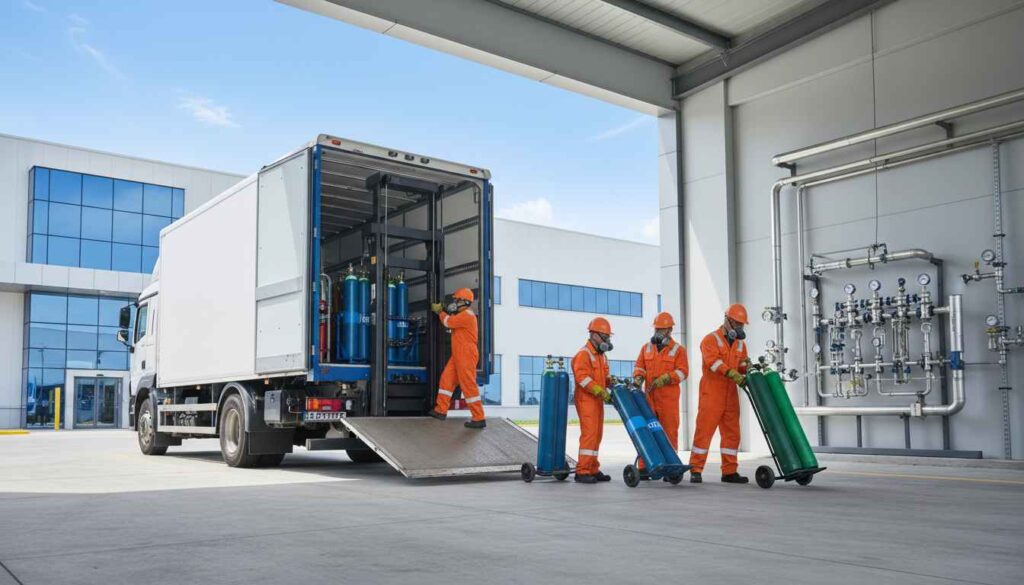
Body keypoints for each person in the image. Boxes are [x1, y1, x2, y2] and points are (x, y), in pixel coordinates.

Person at [689, 303, 751, 483]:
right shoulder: (710, 340)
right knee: (704, 432)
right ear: (727, 320)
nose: (740, 328)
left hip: (731, 395)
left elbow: (742, 365)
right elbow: (712, 363)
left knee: (732, 433)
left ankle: (729, 471)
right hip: (712, 393)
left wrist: (749, 369)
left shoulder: (740, 344)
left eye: (742, 325)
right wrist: (732, 373)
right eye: (737, 324)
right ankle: (696, 469)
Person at [632, 312, 688, 476]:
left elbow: (684, 372)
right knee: (646, 431)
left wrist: (668, 378)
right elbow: (639, 366)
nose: (658, 332)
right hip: (649, 398)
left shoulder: (678, 350)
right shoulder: (646, 348)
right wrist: (638, 378)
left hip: (668, 399)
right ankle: (644, 467)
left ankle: (671, 467)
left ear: (670, 331)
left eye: (662, 330)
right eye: (657, 329)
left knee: (669, 432)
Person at [427, 288, 486, 429]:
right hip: (458, 354)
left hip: (466, 354)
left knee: (468, 385)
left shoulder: (467, 315)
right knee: (446, 380)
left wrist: (440, 311)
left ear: (464, 302)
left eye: (456, 300)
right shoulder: (463, 314)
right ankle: (440, 410)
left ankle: (479, 417)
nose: (454, 302)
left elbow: (448, 322)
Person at [571, 317, 614, 484]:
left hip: (597, 399)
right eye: (605, 336)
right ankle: (582, 471)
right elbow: (582, 378)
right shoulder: (584, 354)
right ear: (594, 335)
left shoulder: (602, 356)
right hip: (586, 399)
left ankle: (593, 468)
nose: (608, 340)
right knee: (589, 435)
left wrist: (612, 382)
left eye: (608, 336)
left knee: (597, 435)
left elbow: (605, 376)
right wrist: (598, 390)